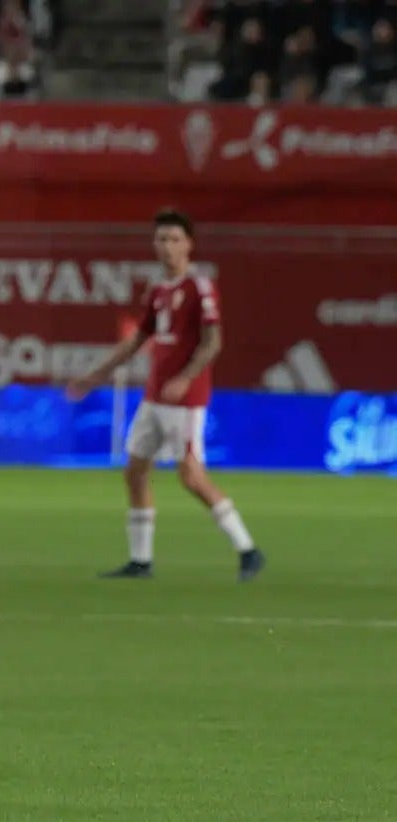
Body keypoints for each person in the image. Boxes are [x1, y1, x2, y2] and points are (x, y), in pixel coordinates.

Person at [67, 208, 264, 582]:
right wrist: (94, 377)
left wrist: (187, 377)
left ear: (189, 245)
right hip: (155, 396)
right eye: (161, 239)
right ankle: (141, 561)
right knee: (135, 470)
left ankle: (248, 550)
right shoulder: (158, 291)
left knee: (191, 475)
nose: (167, 247)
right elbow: (136, 342)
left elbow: (213, 341)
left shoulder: (199, 287)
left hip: (185, 400)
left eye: (175, 239)